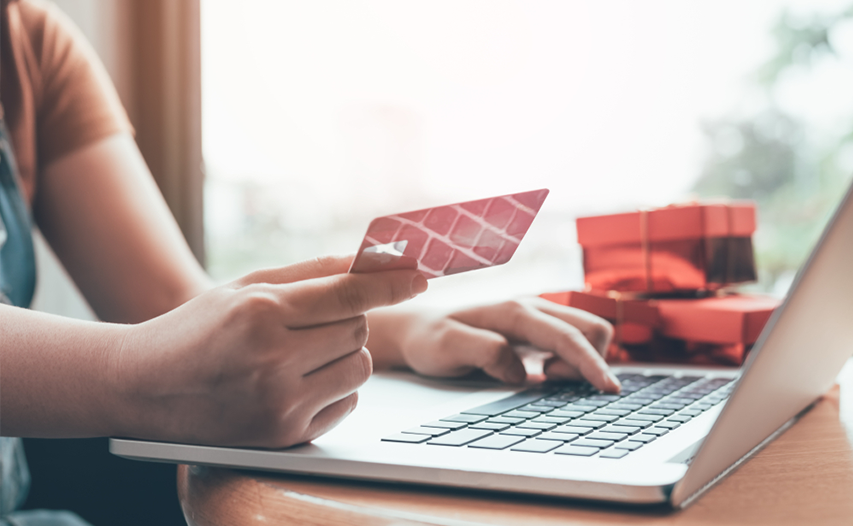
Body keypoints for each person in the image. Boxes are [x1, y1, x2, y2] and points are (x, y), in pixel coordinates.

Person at [0, 0, 619, 523]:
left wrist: (405, 327)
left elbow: (172, 307)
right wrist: (132, 375)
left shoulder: (30, 43)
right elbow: (157, 353)